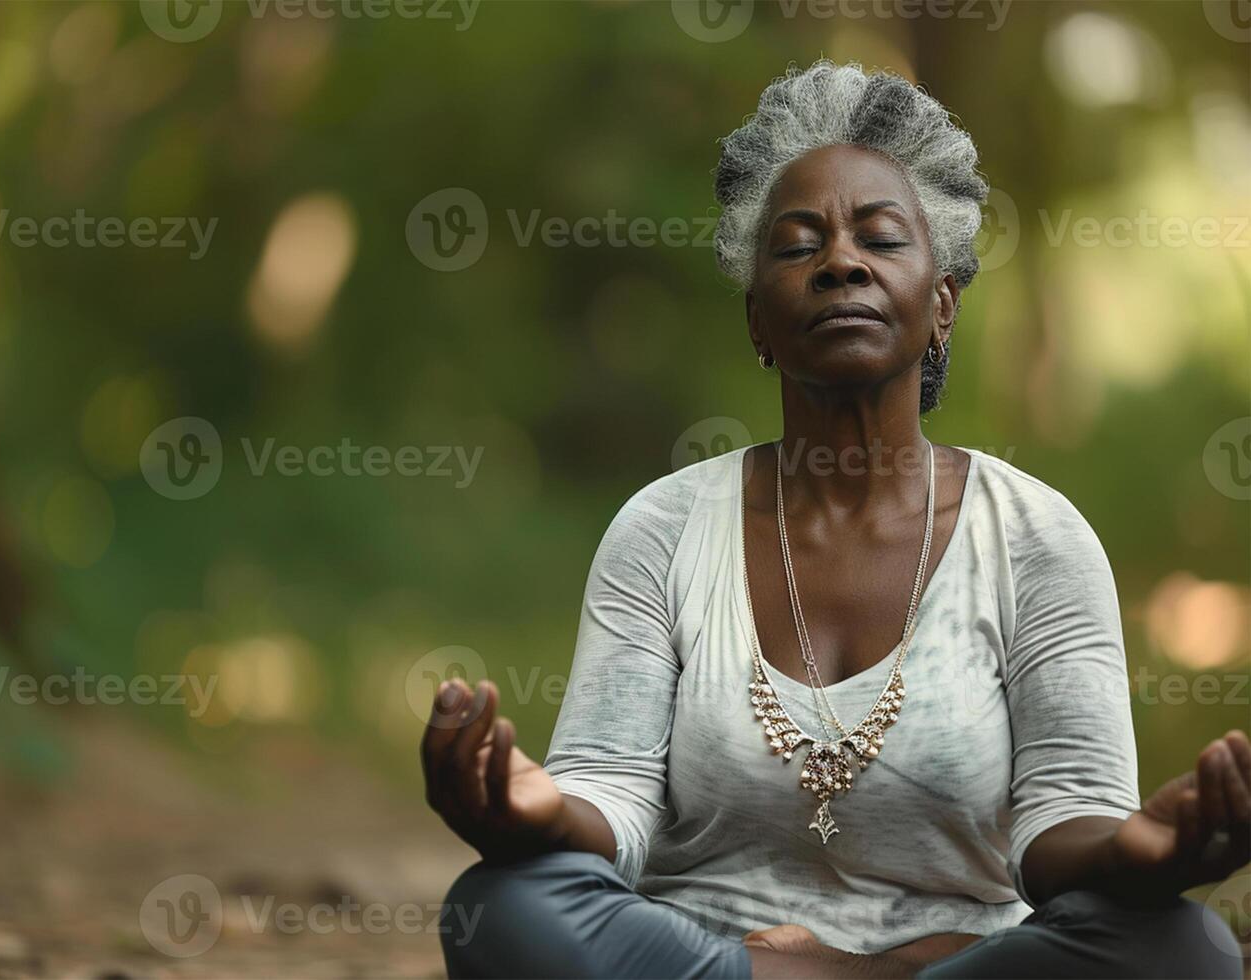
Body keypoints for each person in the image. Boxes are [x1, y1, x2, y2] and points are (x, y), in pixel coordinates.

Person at [421, 60, 1248, 979]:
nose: (841, 262)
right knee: (502, 906)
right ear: (758, 323)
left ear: (942, 305)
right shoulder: (662, 530)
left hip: (965, 960)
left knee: (1185, 949)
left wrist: (1154, 850)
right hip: (706, 954)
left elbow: (1065, 822)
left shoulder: (1037, 540)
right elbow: (608, 802)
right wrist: (531, 811)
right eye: (798, 244)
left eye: (882, 239)